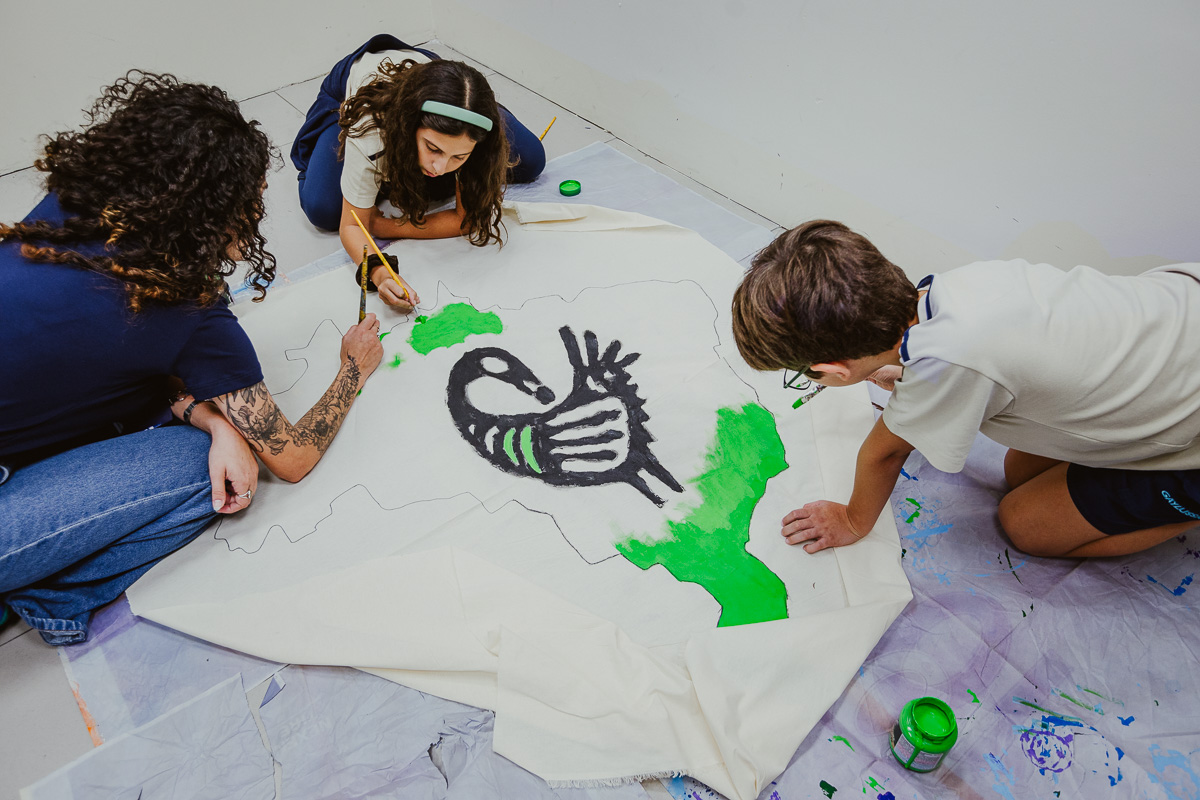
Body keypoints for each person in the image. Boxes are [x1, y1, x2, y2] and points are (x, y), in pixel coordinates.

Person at [0, 72, 384, 645]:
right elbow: (292, 458)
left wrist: (209, 414)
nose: (257, 212)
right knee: (215, 471)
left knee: (192, 424)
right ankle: (52, 594)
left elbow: (110, 347)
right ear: (213, 212)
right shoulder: (187, 308)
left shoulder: (70, 204)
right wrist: (353, 369)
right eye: (251, 199)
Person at [731, 219, 1200, 559]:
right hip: (1179, 321)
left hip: (1191, 436)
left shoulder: (947, 365)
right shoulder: (957, 288)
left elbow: (885, 453)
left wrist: (853, 520)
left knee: (1027, 526)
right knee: (1019, 470)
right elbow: (980, 356)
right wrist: (913, 374)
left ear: (832, 369)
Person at [292, 34, 547, 311]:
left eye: (459, 156)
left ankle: (468, 112)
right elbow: (352, 226)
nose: (441, 168)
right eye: (433, 148)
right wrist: (380, 273)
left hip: (432, 75)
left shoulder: (474, 145)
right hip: (351, 93)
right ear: (409, 126)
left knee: (531, 160)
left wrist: (381, 226)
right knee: (324, 210)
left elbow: (466, 220)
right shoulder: (371, 131)